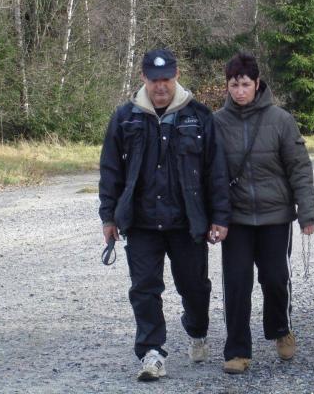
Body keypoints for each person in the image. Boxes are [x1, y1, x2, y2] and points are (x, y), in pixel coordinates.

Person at [98, 48, 230, 381]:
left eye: (167, 79)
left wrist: (220, 217)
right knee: (144, 288)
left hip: (187, 222)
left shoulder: (199, 116)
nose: (161, 86)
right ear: (143, 77)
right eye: (154, 79)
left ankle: (197, 330)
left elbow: (216, 171)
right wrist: (108, 217)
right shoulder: (125, 117)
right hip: (141, 222)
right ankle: (151, 352)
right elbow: (111, 170)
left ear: (177, 75)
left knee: (194, 287)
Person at [213, 52, 314, 374]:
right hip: (237, 219)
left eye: (245, 84)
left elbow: (299, 167)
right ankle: (237, 351)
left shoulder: (281, 120)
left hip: (275, 216)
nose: (240, 91)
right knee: (236, 284)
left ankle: (281, 329)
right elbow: (210, 175)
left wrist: (307, 211)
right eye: (234, 85)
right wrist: (212, 217)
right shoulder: (217, 123)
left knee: (275, 278)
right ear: (227, 86)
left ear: (257, 84)